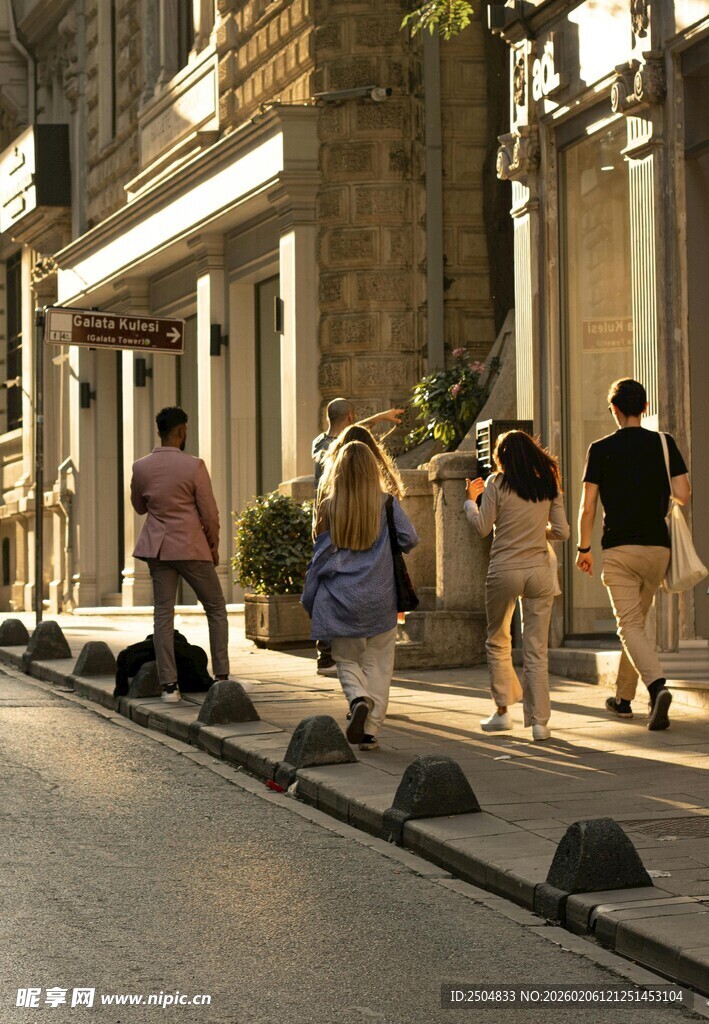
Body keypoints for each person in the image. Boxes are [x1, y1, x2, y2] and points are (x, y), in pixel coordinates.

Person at [576, 378, 691, 731]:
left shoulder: (600, 448)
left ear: (614, 409)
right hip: (658, 549)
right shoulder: (663, 443)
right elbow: (684, 494)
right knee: (636, 625)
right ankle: (623, 698)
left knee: (628, 625)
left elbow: (588, 506)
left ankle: (657, 688)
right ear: (643, 408)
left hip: (620, 550)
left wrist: (584, 547)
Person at [302, 441, 418, 751]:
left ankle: (357, 698)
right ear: (372, 470)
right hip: (380, 598)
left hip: (340, 598)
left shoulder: (328, 505)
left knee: (345, 659)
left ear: (337, 471)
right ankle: (370, 731)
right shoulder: (387, 504)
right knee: (379, 665)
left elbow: (319, 548)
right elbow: (410, 538)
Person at [465, 430, 570, 741]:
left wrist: (470, 503)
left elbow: (483, 528)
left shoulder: (497, 483)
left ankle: (502, 713)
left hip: (505, 570)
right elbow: (563, 532)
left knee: (498, 640)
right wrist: (536, 532)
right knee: (537, 650)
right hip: (539, 571)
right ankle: (540, 723)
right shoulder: (548, 483)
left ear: (502, 457)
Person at [130, 406, 230, 702]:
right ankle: (222, 676)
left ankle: (169, 687)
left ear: (159, 431)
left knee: (163, 614)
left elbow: (139, 506)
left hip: (158, 549)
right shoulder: (194, 465)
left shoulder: (140, 466)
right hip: (191, 546)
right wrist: (213, 546)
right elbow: (209, 514)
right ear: (182, 431)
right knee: (215, 607)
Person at [311, 398, 404, 676]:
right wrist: (378, 418)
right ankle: (332, 654)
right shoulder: (335, 448)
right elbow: (353, 437)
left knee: (331, 586)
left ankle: (329, 654)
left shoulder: (319, 444)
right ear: (351, 414)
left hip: (329, 526)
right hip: (353, 524)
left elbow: (350, 434)